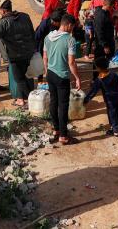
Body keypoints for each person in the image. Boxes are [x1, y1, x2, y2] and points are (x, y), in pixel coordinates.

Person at [43, 14, 82, 145]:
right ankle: (64, 136)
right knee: (63, 106)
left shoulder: (48, 37)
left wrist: (46, 71)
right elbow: (71, 62)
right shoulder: (70, 40)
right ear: (68, 25)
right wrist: (77, 77)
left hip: (51, 74)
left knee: (53, 102)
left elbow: (45, 57)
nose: (73, 29)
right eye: (73, 27)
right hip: (62, 76)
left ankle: (56, 130)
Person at [84, 56, 118, 136]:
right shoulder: (113, 74)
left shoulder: (100, 79)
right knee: (117, 112)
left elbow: (93, 91)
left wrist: (86, 99)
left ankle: (115, 131)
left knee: (112, 114)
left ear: (99, 68)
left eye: (97, 67)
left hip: (109, 100)